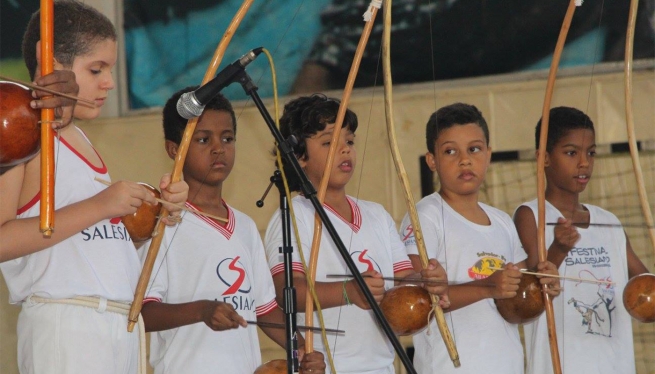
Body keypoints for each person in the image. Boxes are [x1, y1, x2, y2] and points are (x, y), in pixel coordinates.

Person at [0, 2, 188, 373]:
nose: (110, 83)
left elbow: (84, 243)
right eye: (96, 69)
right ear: (50, 62)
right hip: (68, 323)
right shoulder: (21, 131)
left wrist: (150, 218)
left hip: (119, 324)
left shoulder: (81, 139)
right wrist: (103, 205)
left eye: (110, 69)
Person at [139, 87, 326, 374]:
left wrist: (302, 347)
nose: (219, 148)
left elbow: (263, 309)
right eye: (203, 140)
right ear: (174, 149)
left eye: (227, 138)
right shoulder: (163, 221)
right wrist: (202, 311)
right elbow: (144, 312)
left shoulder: (246, 227)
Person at [264, 94, 449, 373]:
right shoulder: (293, 215)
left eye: (349, 141)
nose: (345, 150)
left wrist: (424, 281)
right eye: (328, 142)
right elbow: (289, 293)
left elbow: (401, 282)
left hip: (383, 367)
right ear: (299, 156)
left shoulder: (377, 215)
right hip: (329, 367)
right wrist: (348, 291)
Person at [399, 103, 560, 374]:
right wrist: (488, 287)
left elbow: (516, 306)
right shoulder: (425, 216)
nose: (464, 160)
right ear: (432, 161)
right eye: (450, 151)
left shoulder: (501, 221)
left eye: (474, 149)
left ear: (488, 154)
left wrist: (542, 290)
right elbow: (415, 300)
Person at [513, 106, 650, 374]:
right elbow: (527, 296)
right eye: (571, 152)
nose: (584, 162)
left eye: (591, 153)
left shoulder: (608, 221)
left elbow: (645, 291)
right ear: (544, 158)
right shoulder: (531, 215)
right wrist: (558, 249)